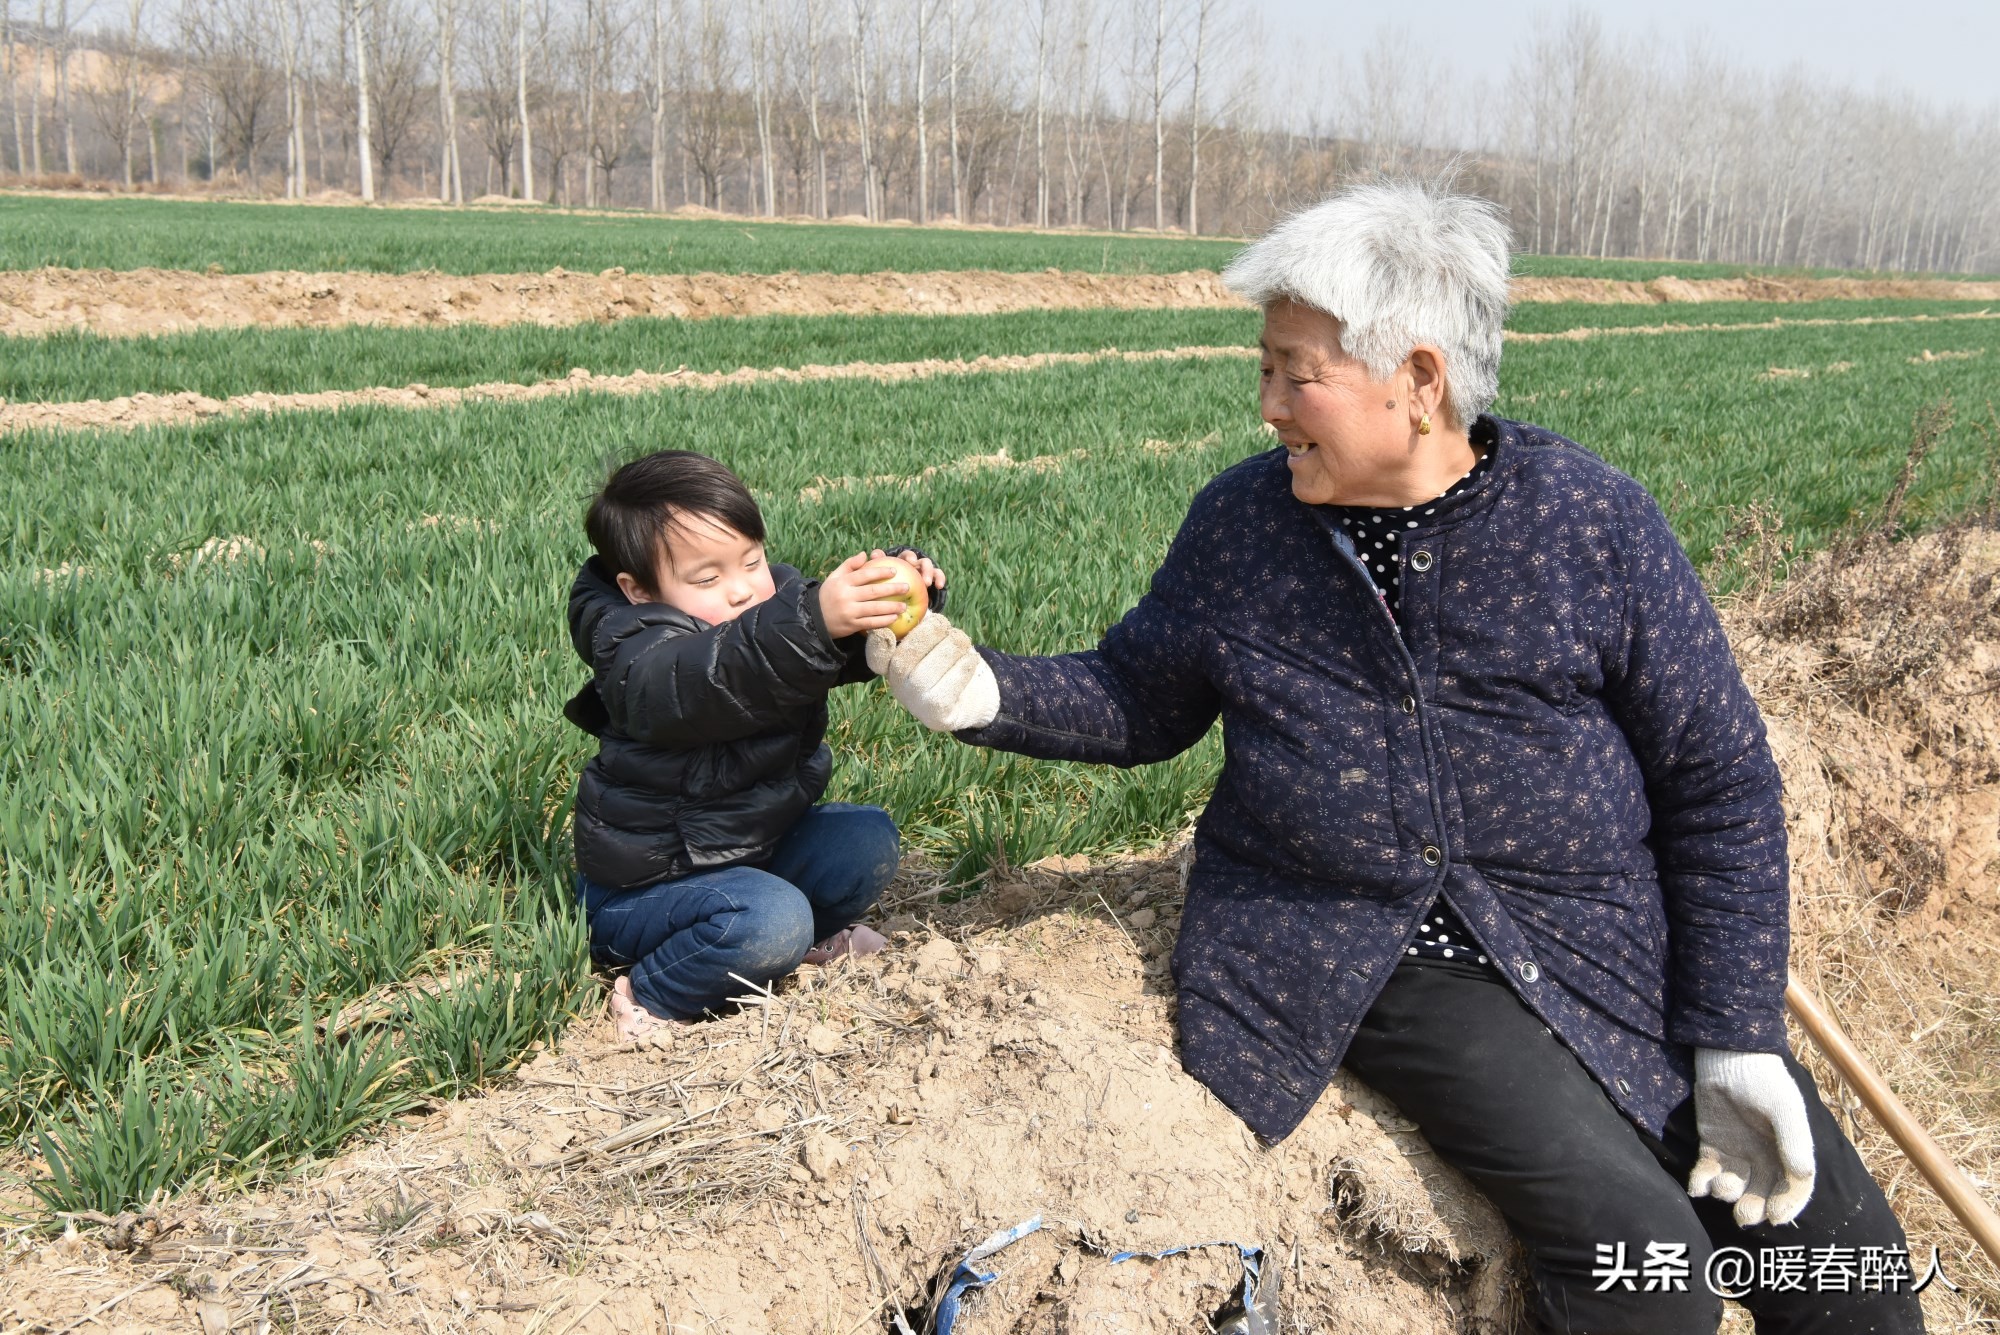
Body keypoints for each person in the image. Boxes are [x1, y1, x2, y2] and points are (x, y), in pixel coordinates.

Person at [865, 183, 1925, 1333]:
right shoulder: (1244, 528)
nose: (1265, 404)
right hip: (1370, 951)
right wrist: (978, 691)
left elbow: (1716, 784)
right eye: (1263, 367)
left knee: (1845, 1268)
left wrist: (1733, 1037)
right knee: (1647, 1270)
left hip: (1597, 937)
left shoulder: (1589, 523)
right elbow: (1138, 699)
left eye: (1293, 372)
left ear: (1418, 382)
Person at [565, 449, 944, 1038]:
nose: (743, 590)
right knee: (771, 919)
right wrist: (811, 621)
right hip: (647, 892)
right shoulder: (639, 653)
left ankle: (784, 945)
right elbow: (714, 675)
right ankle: (653, 989)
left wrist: (885, 599)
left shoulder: (773, 611)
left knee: (865, 839)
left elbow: (813, 651)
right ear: (638, 590)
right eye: (709, 577)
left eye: (753, 560)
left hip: (751, 852)